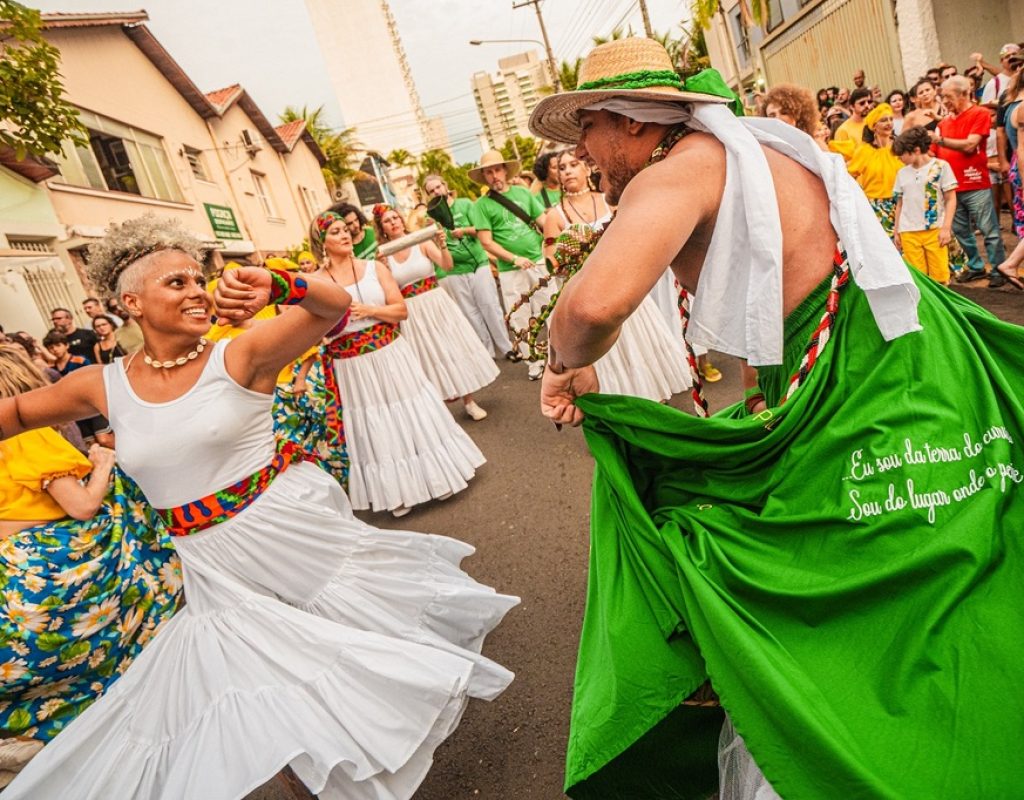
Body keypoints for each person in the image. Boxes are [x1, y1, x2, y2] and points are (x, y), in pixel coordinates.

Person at [529, 36, 1023, 800]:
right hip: (918, 351)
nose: (585, 153)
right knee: (952, 554)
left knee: (833, 557)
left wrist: (562, 362)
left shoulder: (679, 171)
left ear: (627, 122)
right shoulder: (764, 148)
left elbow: (593, 305)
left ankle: (914, 747)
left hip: (868, 376)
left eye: (586, 131)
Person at [0, 213, 517, 799]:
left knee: (340, 650)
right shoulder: (101, 383)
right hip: (208, 564)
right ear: (131, 301)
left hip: (286, 531)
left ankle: (367, 742)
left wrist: (281, 284)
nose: (196, 290)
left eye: (199, 279)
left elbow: (331, 309)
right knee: (259, 685)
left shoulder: (239, 356)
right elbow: (16, 414)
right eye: (177, 283)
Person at [0, 344, 181, 788]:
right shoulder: (31, 437)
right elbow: (81, 506)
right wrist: (102, 463)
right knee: (137, 596)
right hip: (49, 568)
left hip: (11, 565)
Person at [313, 210, 487, 515]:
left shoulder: (373, 269)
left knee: (412, 409)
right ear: (321, 242)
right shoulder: (315, 281)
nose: (344, 235)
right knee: (374, 423)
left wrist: (370, 311)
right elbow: (311, 326)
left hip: (389, 351)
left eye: (345, 230)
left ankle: (439, 476)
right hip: (350, 364)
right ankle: (396, 493)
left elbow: (400, 310)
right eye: (335, 232)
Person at [541, 150, 689, 401]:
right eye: (561, 167)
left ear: (587, 169)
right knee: (608, 361)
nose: (567, 171)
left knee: (641, 351)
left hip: (625, 291)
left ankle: (655, 404)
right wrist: (573, 260)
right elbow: (552, 262)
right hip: (589, 299)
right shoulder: (554, 216)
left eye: (573, 164)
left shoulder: (609, 201)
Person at [374, 203, 497, 420]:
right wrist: (383, 266)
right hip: (411, 309)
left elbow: (446, 265)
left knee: (452, 349)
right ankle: (438, 410)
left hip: (435, 302)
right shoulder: (383, 256)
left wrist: (443, 246)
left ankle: (469, 401)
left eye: (395, 218)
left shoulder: (421, 243)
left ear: (402, 220)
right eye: (387, 220)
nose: (393, 222)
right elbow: (387, 291)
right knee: (425, 356)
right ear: (382, 228)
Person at [470, 149, 551, 380]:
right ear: (484, 176)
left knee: (552, 309)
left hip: (538, 261)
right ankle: (533, 362)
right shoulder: (482, 206)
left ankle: (559, 357)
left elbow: (543, 221)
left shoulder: (523, 194)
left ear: (505, 171)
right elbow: (486, 242)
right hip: (510, 270)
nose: (494, 175)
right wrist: (514, 259)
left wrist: (551, 245)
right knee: (520, 317)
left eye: (497, 170)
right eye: (488, 172)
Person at [422, 174, 514, 358]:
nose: (436, 192)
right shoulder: (431, 216)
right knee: (470, 312)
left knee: (489, 305)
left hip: (478, 262)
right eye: (431, 191)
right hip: (455, 269)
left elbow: (481, 229)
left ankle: (507, 348)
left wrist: (463, 231)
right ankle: (486, 354)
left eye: (438, 187)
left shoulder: (464, 204)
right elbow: (434, 243)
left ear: (445, 186)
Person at [934, 75, 1007, 285]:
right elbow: (935, 152)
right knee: (960, 231)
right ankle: (975, 266)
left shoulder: (980, 114)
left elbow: (969, 145)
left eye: (948, 97)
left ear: (964, 93)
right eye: (943, 97)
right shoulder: (945, 122)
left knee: (989, 230)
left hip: (975, 183)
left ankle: (998, 270)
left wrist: (939, 140)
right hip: (951, 186)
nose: (945, 102)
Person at [892, 125, 958, 284]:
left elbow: (951, 198)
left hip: (934, 230)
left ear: (915, 150)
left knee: (940, 277)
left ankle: (940, 309)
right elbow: (900, 203)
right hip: (909, 231)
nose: (899, 158)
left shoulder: (941, 167)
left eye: (902, 154)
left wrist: (946, 228)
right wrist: (896, 231)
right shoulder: (902, 173)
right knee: (918, 279)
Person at [832, 103, 902, 238]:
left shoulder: (899, 146)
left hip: (902, 202)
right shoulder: (864, 151)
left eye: (891, 119)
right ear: (873, 126)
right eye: (883, 120)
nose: (889, 123)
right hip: (878, 207)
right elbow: (848, 175)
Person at [993, 55, 1024, 289]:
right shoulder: (1021, 108)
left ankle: (1011, 263)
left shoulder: (1015, 104)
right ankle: (1011, 262)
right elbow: (1022, 148)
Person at [763, 83, 827, 148]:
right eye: (772, 116)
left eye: (784, 113)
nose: (778, 118)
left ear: (798, 114)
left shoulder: (815, 145)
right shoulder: (766, 149)